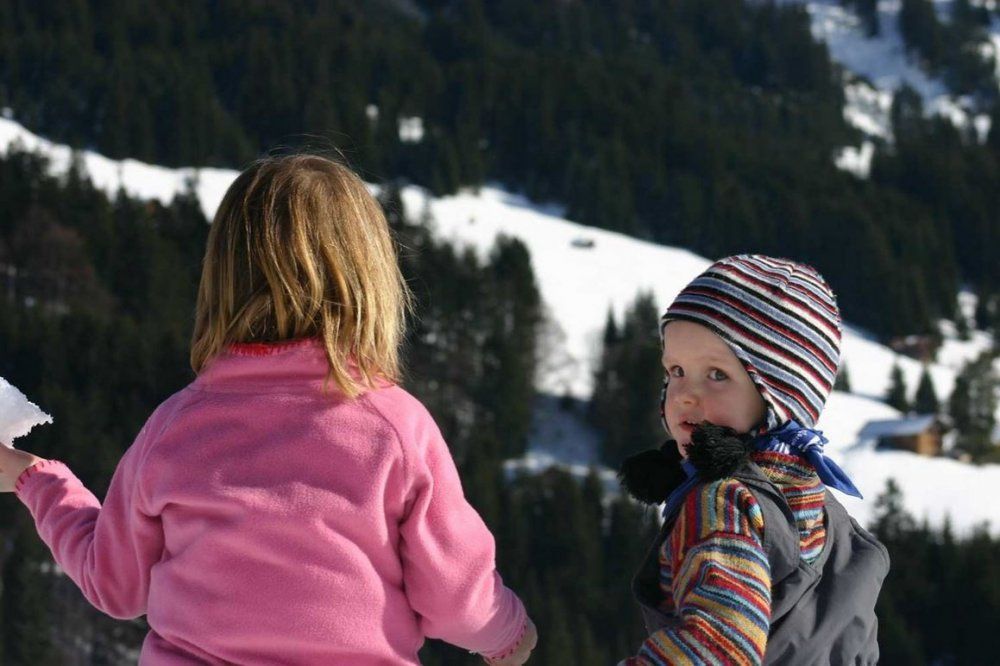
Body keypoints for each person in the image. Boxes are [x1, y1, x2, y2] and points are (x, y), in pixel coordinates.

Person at [0, 154, 537, 665]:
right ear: (369, 281)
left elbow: (113, 584)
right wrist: (508, 633)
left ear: (221, 279)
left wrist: (37, 481)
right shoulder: (394, 428)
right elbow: (457, 600)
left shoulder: (176, 427)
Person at [617, 254, 889, 665]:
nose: (684, 394)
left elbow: (717, 646)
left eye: (717, 375)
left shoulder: (724, 505)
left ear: (780, 397)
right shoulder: (821, 509)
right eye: (675, 370)